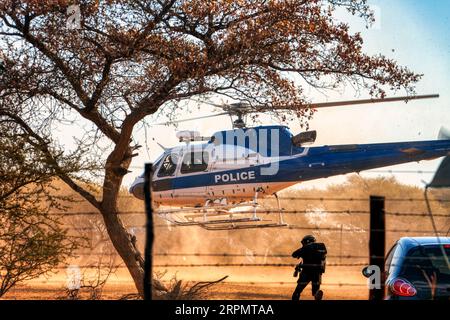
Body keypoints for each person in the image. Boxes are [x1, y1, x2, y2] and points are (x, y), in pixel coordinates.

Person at [291, 235, 327, 300]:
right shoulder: (320, 247)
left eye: (303, 242)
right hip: (317, 273)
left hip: (306, 273)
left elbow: (294, 254)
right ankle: (316, 294)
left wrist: (301, 252)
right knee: (315, 292)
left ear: (307, 241)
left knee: (297, 291)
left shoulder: (305, 248)